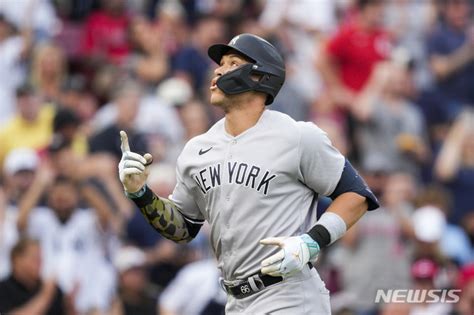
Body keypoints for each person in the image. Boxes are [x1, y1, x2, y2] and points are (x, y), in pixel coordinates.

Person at [118, 33, 379, 314]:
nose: (218, 70)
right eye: (221, 63)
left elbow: (357, 194)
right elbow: (183, 229)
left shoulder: (298, 136)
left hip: (289, 294)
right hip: (235, 301)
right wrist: (140, 193)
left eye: (232, 63)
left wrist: (311, 241)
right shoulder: (196, 149)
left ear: (259, 77)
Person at [0, 238, 72, 315]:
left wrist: (70, 306)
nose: (39, 263)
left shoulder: (53, 289)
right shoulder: (3, 289)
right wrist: (45, 296)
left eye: (40, 258)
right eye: (34, 258)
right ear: (17, 260)